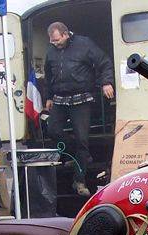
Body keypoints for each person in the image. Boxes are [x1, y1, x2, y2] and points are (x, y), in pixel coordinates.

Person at [44, 22, 114, 197]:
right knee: (52, 130)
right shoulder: (51, 51)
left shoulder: (85, 44)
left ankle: (80, 181)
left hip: (82, 97)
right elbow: (48, 75)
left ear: (66, 34)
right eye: (52, 41)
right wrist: (49, 96)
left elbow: (105, 62)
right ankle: (78, 155)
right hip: (60, 98)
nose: (55, 44)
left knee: (82, 139)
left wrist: (106, 82)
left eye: (57, 40)